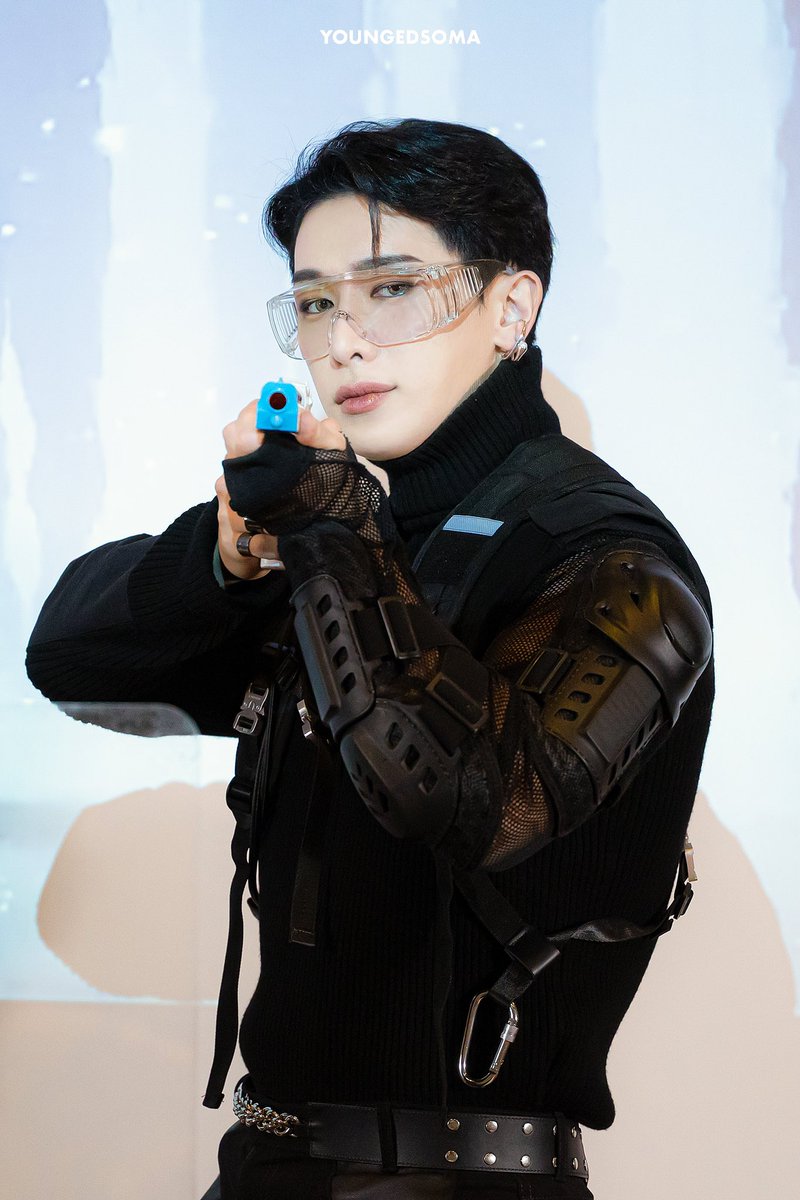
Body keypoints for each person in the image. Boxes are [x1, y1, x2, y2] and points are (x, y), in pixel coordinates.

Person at [26, 118, 715, 1200]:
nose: (341, 340)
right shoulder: (353, 540)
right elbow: (70, 660)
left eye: (390, 289)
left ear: (511, 307)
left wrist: (331, 529)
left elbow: (477, 800)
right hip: (266, 1167)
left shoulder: (610, 560)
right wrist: (226, 554)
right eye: (312, 303)